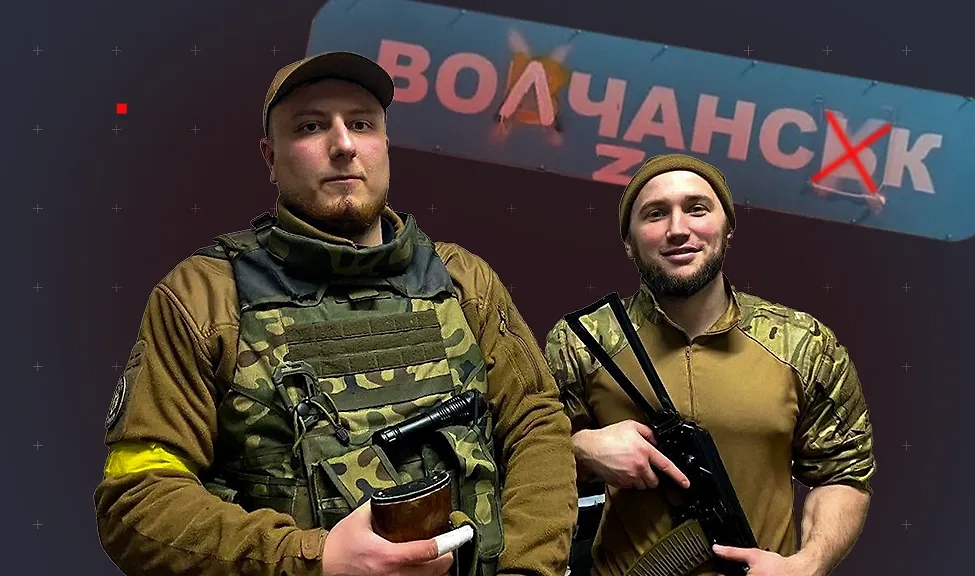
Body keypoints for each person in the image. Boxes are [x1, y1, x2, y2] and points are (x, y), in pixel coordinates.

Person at [94, 51, 578, 576]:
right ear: (269, 156)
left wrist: (525, 570)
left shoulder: (464, 281)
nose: (344, 145)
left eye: (362, 124)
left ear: (385, 145)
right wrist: (313, 559)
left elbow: (536, 426)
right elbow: (137, 498)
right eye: (311, 126)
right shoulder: (204, 298)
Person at [543, 154, 875, 576]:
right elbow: (523, 465)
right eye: (655, 214)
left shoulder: (802, 345)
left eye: (697, 209)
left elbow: (844, 473)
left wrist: (808, 564)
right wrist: (582, 451)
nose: (677, 229)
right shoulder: (582, 342)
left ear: (728, 229)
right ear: (628, 242)